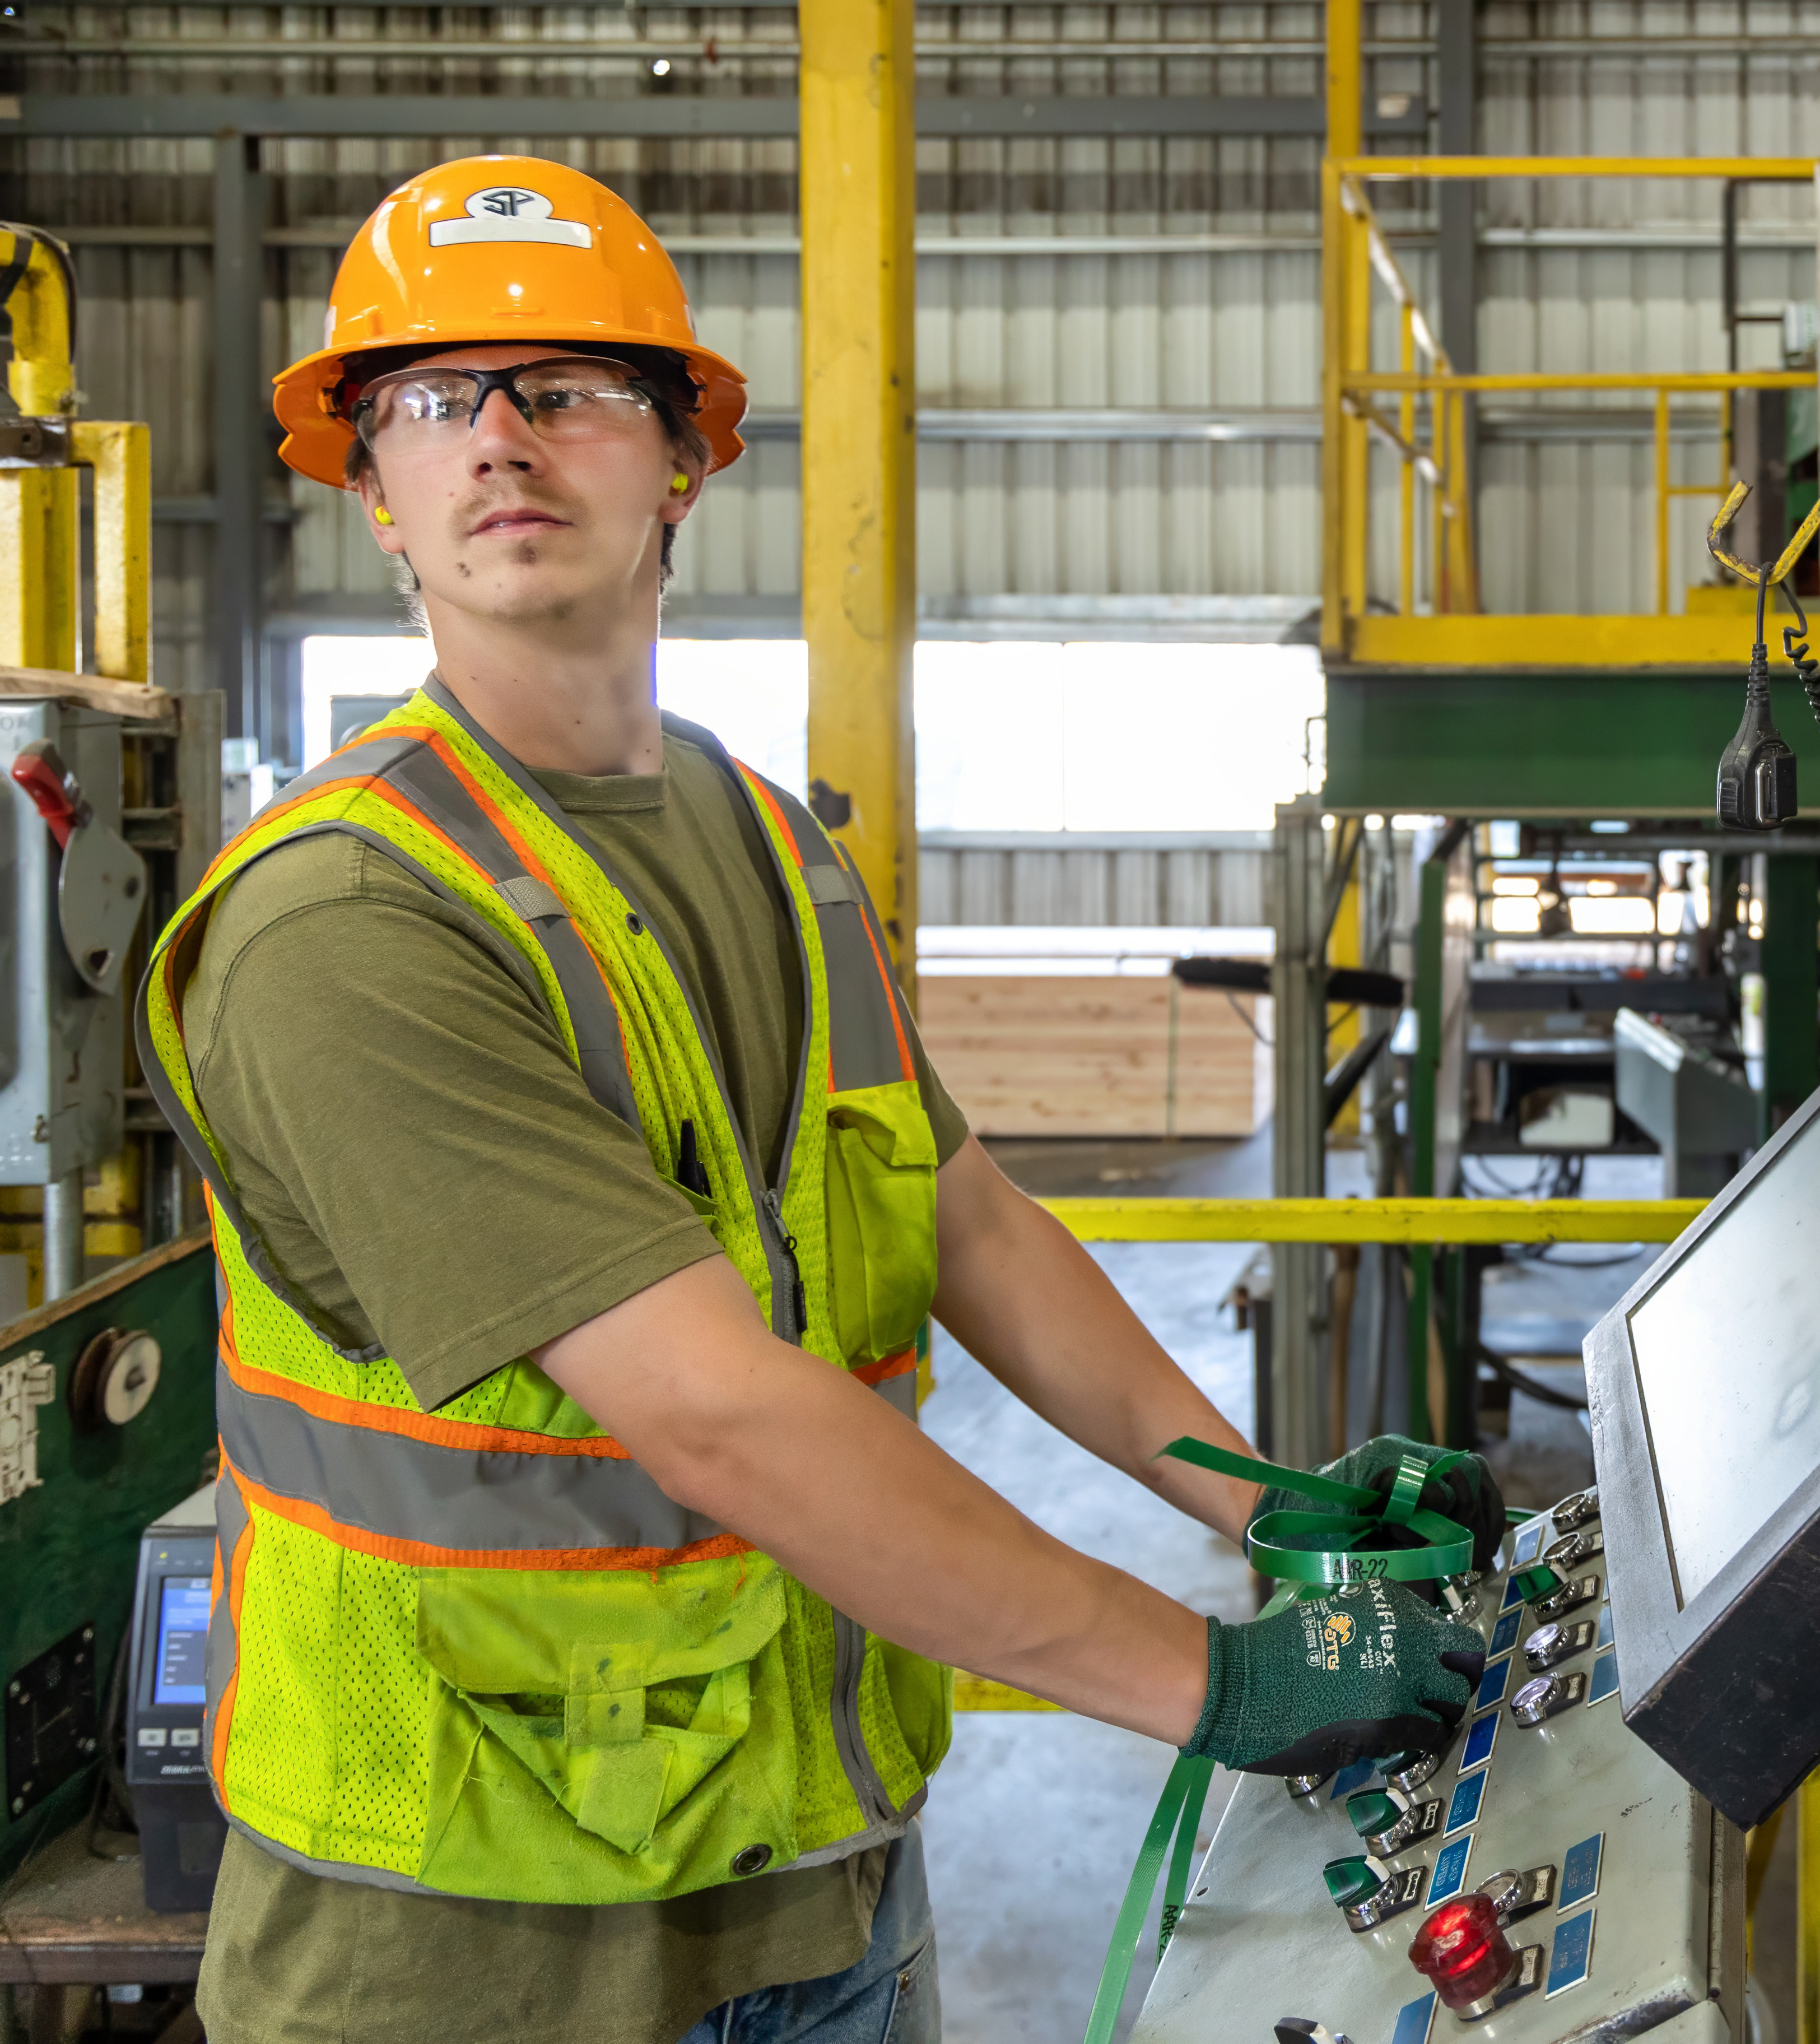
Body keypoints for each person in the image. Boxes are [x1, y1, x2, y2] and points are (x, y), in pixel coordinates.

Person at [136, 156, 1498, 2044]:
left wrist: (1256, 1497)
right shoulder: (350, 913)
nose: (501, 440)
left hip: (815, 1867)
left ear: (684, 457)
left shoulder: (767, 839)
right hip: (475, 1936)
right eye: (431, 399)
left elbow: (962, 1215)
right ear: (368, 486)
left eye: (573, 389)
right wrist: (1213, 1680)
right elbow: (718, 1415)